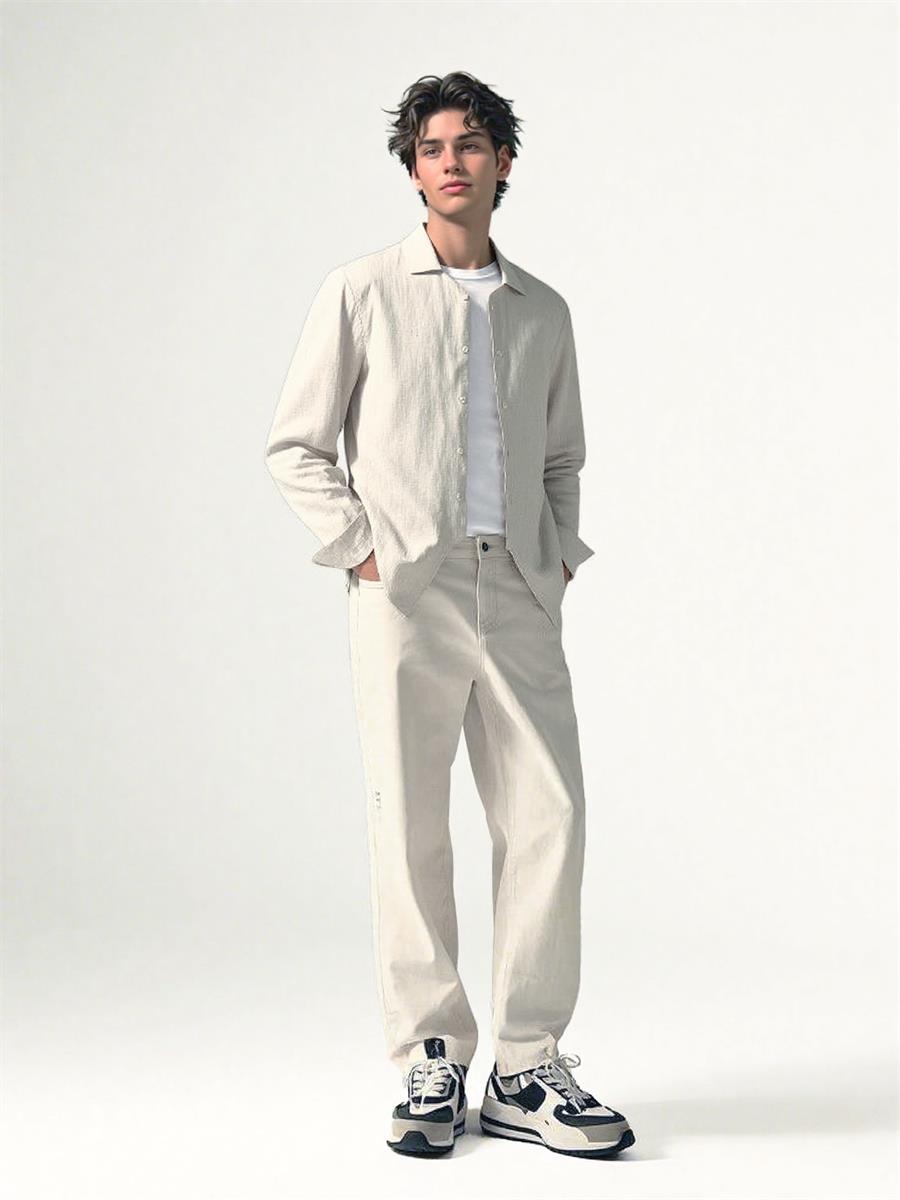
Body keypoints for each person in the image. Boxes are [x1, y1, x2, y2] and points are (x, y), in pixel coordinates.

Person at [265, 70, 635, 1160]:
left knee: (549, 816)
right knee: (410, 822)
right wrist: (364, 550)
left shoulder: (542, 310)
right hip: (408, 594)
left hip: (516, 587)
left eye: (472, 144)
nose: (453, 162)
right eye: (432, 148)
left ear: (503, 161)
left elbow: (562, 455)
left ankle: (527, 1064)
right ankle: (432, 1054)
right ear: (413, 169)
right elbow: (296, 445)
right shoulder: (363, 291)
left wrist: (554, 561)